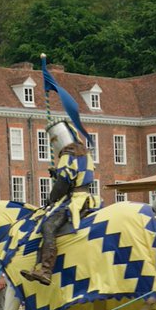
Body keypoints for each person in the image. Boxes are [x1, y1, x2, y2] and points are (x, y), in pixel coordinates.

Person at [21, 119, 101, 285]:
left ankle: (46, 269)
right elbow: (77, 176)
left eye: (54, 140)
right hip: (88, 198)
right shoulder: (85, 154)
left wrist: (52, 197)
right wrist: (57, 174)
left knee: (48, 226)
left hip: (74, 200)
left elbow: (64, 183)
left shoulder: (68, 154)